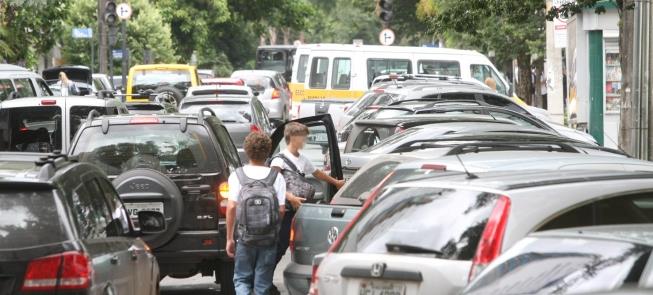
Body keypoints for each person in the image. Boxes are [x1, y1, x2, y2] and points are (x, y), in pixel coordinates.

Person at [268, 122, 344, 294]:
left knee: (286, 246)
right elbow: (272, 181)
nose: (305, 140)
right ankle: (264, 282)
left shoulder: (302, 159)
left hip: (297, 210)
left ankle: (265, 282)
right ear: (293, 138)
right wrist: (290, 197)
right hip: (284, 211)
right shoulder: (280, 159)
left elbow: (317, 173)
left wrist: (336, 182)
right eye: (303, 136)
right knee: (278, 247)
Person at [226, 132, 287, 295]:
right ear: (268, 152)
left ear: (246, 151)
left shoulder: (237, 175)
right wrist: (270, 226)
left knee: (242, 279)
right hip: (268, 239)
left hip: (245, 238)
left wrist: (229, 238)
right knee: (263, 283)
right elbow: (281, 210)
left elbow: (231, 207)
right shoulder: (276, 177)